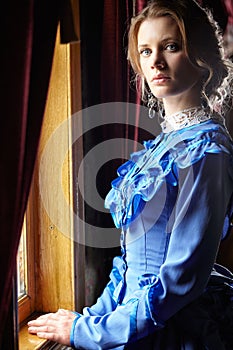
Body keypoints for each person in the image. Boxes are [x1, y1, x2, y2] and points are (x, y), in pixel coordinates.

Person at [28, 0, 233, 348]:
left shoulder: (205, 153)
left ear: (200, 58)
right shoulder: (160, 148)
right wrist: (92, 319)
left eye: (171, 46)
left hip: (169, 330)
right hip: (130, 323)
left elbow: (180, 279)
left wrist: (88, 332)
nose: (155, 62)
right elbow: (129, 263)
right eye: (145, 50)